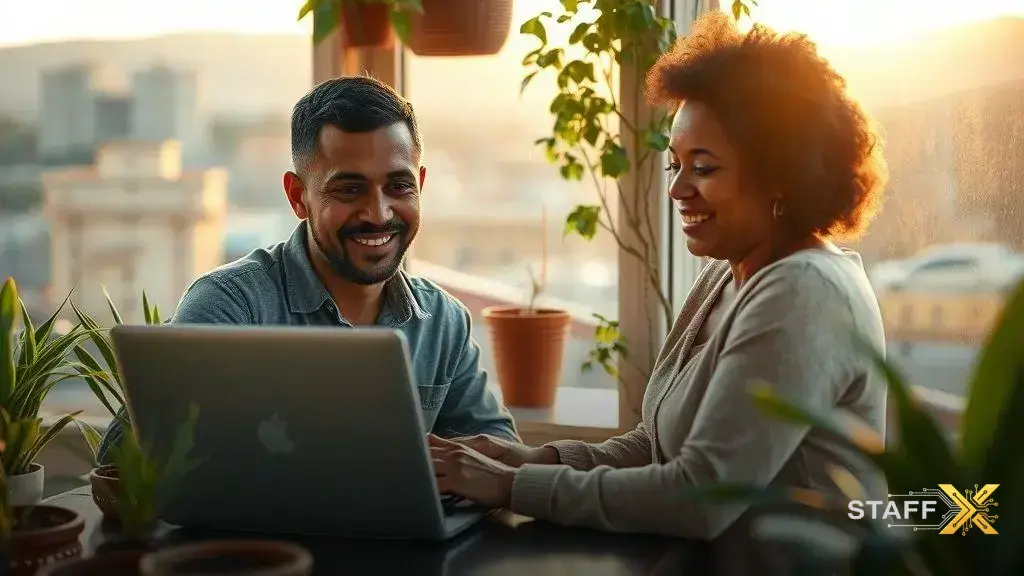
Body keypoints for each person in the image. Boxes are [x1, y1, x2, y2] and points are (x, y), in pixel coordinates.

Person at [429, 11, 888, 571]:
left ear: (781, 177)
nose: (677, 188)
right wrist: (531, 456)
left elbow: (702, 495)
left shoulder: (805, 293)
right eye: (675, 164)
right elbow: (655, 445)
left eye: (704, 167)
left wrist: (513, 486)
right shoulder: (730, 271)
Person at [97, 76, 519, 462]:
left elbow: (499, 453)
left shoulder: (443, 321)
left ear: (420, 185)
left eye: (399, 185)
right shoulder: (230, 307)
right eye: (349, 189)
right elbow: (122, 465)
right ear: (298, 196)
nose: (378, 212)